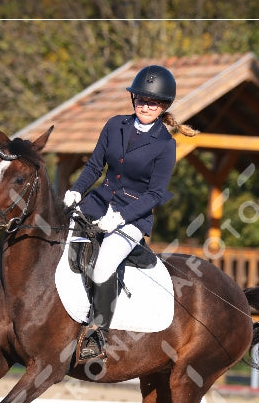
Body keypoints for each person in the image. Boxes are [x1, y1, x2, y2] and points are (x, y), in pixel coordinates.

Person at [63, 64, 198, 362]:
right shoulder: (115, 125)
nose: (145, 105)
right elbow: (95, 166)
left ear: (163, 105)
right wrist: (77, 190)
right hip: (99, 201)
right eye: (140, 99)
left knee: (102, 266)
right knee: (62, 242)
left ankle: (97, 333)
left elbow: (155, 194)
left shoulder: (165, 145)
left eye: (152, 102)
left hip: (134, 215)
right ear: (133, 99)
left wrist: (121, 218)